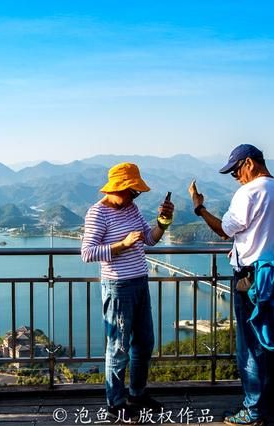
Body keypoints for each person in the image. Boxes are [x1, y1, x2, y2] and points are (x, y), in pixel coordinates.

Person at [189, 144, 274, 426]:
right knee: (273, 342)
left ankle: (252, 412)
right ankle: (272, 407)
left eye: (236, 170)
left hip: (250, 279)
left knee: (250, 346)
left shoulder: (249, 192)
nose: (236, 177)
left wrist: (199, 207)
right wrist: (256, 245)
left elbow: (224, 230)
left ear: (249, 163)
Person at [81, 162, 174, 421]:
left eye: (137, 193)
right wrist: (122, 244)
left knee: (144, 344)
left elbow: (150, 238)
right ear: (118, 188)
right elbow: (87, 253)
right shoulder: (97, 214)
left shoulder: (132, 209)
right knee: (119, 347)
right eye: (132, 191)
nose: (135, 196)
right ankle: (116, 402)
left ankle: (137, 393)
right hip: (118, 286)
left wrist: (163, 222)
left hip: (140, 282)